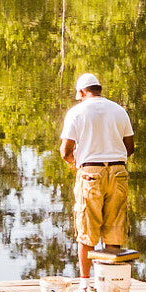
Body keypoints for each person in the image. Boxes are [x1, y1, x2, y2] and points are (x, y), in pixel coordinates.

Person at [59, 71, 135, 277]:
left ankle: (85, 286)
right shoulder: (119, 110)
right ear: (99, 90)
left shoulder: (76, 112)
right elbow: (130, 147)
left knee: (86, 231)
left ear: (83, 92)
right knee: (115, 230)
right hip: (118, 172)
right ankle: (110, 283)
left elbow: (65, 151)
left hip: (90, 173)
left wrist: (73, 162)